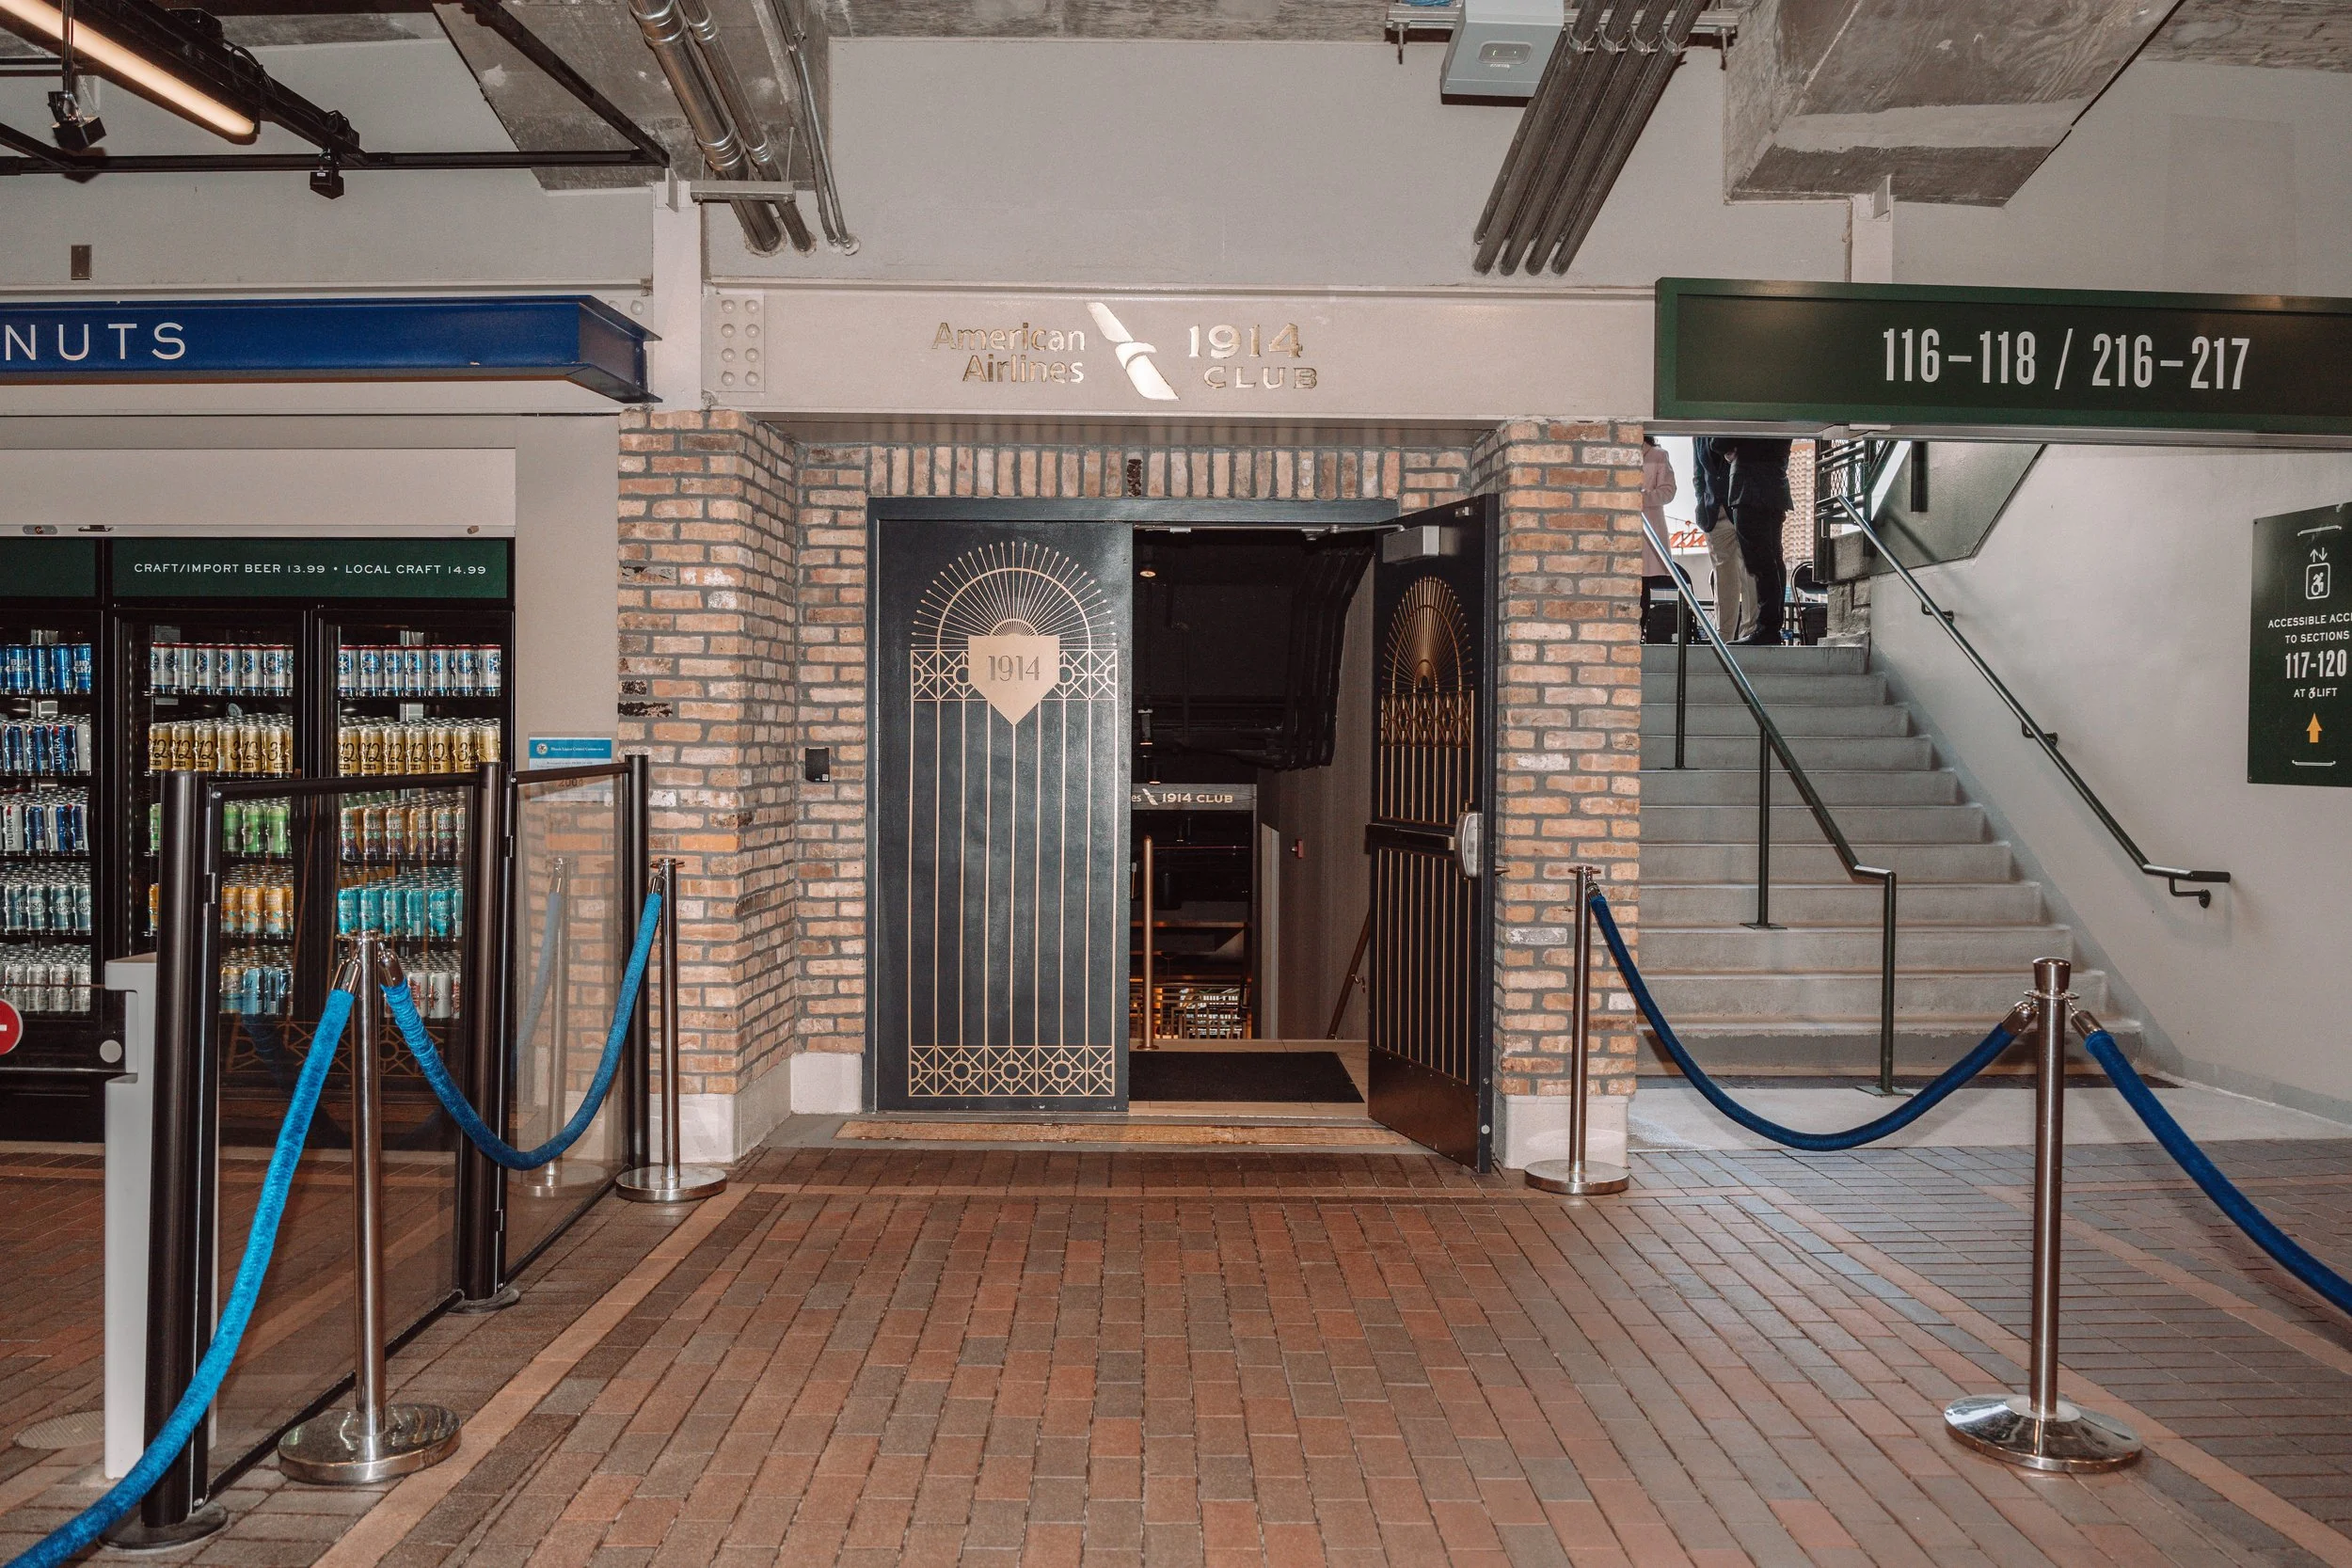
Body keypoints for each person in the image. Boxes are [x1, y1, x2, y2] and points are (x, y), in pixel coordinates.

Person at [1724, 436, 1793, 646]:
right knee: (1773, 559)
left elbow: (1717, 442)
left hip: (1748, 491)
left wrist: (1734, 448)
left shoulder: (1747, 410)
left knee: (1760, 562)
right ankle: (1772, 626)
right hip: (1775, 489)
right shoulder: (1782, 412)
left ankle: (1767, 627)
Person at [1691, 436, 1754, 641]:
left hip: (1743, 506)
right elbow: (1698, 474)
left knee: (1749, 573)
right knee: (1723, 578)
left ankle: (1750, 632)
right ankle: (1724, 636)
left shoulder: (1736, 425)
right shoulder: (1698, 435)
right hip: (1713, 513)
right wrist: (1702, 502)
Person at [1640, 436, 1676, 640]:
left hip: (1649, 527)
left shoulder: (1658, 455)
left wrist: (1641, 498)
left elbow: (1669, 491)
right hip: (1623, 527)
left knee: (1642, 583)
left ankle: (1639, 634)